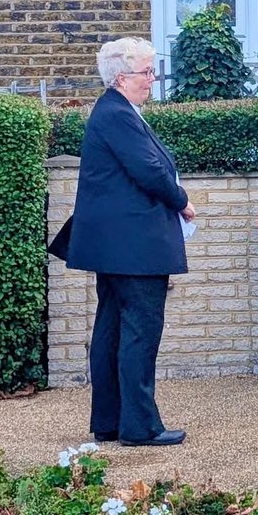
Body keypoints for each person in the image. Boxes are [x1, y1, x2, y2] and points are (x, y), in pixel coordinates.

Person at [64, 37, 196, 446]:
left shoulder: (112, 111)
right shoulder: (118, 114)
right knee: (140, 330)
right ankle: (140, 426)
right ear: (122, 77)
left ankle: (110, 421)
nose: (152, 79)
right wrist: (182, 201)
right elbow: (149, 169)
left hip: (117, 247)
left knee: (113, 328)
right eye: (146, 72)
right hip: (135, 248)